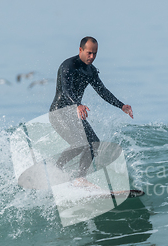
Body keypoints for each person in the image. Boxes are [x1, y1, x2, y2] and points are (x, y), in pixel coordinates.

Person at [49, 36, 133, 188]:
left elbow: (102, 91)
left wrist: (121, 106)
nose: (92, 57)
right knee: (80, 144)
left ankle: (79, 178)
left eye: (95, 53)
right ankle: (55, 169)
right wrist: (77, 104)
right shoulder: (68, 65)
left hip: (74, 113)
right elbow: (66, 89)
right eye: (89, 53)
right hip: (59, 113)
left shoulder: (91, 71)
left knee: (94, 144)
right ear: (80, 50)